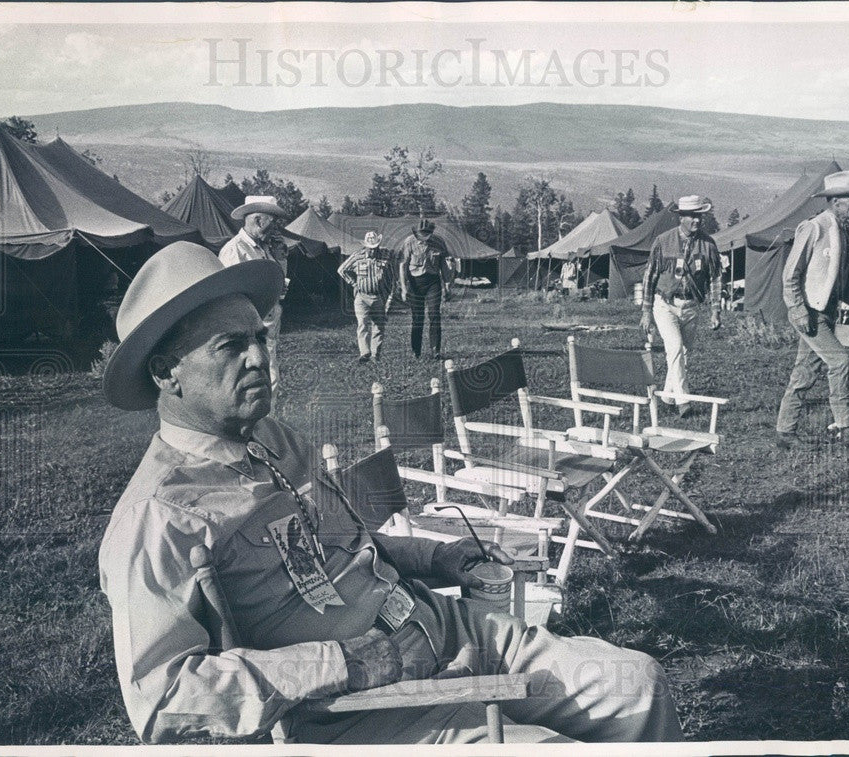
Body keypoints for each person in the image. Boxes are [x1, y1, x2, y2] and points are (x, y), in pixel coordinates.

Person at [98, 241, 684, 745]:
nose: (260, 358)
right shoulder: (162, 515)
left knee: (639, 685)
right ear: (165, 372)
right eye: (230, 346)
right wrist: (348, 663)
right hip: (375, 712)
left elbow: (347, 545)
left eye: (260, 337)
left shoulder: (275, 441)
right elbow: (164, 697)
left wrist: (438, 557)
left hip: (452, 630)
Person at [775, 171, 849, 449]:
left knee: (804, 373)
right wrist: (798, 310)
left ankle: (785, 432)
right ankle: (846, 427)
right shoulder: (814, 228)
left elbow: (842, 281)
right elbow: (791, 274)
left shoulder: (847, 232)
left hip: (826, 313)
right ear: (834, 201)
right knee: (840, 361)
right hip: (808, 312)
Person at [639, 195, 722, 418]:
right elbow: (650, 276)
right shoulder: (663, 241)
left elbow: (715, 278)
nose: (697, 221)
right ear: (681, 217)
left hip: (691, 305)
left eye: (700, 216)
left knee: (682, 352)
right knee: (674, 348)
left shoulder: (708, 244)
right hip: (665, 304)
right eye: (693, 216)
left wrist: (716, 310)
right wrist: (646, 311)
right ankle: (684, 402)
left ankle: (667, 396)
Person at [219, 195, 290, 410]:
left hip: (266, 325)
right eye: (272, 222)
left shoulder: (263, 249)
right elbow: (228, 293)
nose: (275, 229)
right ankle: (257, 425)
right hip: (247, 326)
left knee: (270, 376)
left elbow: (276, 280)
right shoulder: (235, 250)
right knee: (258, 377)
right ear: (259, 220)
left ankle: (265, 428)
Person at [337, 231, 398, 363]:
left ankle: (375, 355)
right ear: (365, 246)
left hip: (378, 297)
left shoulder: (386, 256)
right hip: (361, 297)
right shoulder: (357, 256)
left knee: (378, 326)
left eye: (375, 247)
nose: (372, 251)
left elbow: (392, 277)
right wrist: (353, 283)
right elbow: (342, 270)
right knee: (362, 324)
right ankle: (364, 353)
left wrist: (389, 298)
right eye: (370, 248)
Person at [398, 219, 454, 360]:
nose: (423, 238)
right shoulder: (409, 242)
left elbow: (444, 263)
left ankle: (436, 350)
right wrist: (404, 288)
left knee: (435, 314)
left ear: (431, 233)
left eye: (426, 235)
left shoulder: (439, 242)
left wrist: (447, 285)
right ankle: (416, 351)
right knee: (418, 318)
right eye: (420, 235)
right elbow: (403, 265)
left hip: (432, 282)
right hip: (414, 282)